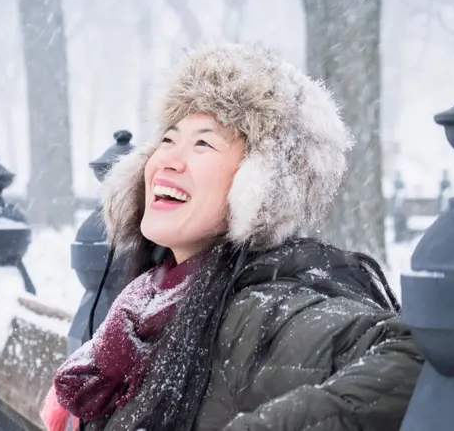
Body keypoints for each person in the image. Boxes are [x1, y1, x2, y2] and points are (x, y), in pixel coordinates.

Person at [42, 42, 422, 431]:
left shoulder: (264, 311)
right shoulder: (146, 305)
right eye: (168, 139)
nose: (168, 159)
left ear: (261, 186)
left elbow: (420, 361)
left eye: (203, 143)